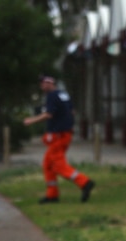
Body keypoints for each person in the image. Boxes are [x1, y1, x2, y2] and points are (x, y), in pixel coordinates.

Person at [24, 76, 95, 204]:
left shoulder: (52, 96)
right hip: (64, 134)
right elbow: (72, 111)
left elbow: (48, 114)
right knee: (48, 165)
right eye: (41, 83)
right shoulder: (64, 95)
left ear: (51, 83)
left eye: (44, 83)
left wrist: (31, 120)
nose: (42, 86)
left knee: (58, 165)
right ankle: (52, 195)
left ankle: (84, 182)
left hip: (58, 136)